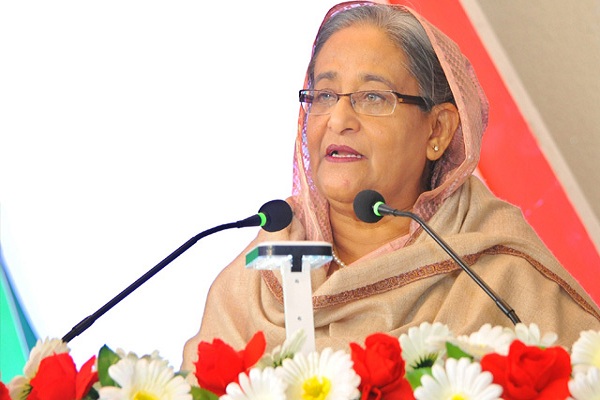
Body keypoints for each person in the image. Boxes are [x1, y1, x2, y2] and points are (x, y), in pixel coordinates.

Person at [181, 0, 600, 375]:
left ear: (437, 130)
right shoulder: (255, 283)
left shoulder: (498, 275)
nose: (338, 119)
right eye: (324, 95)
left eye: (373, 97)